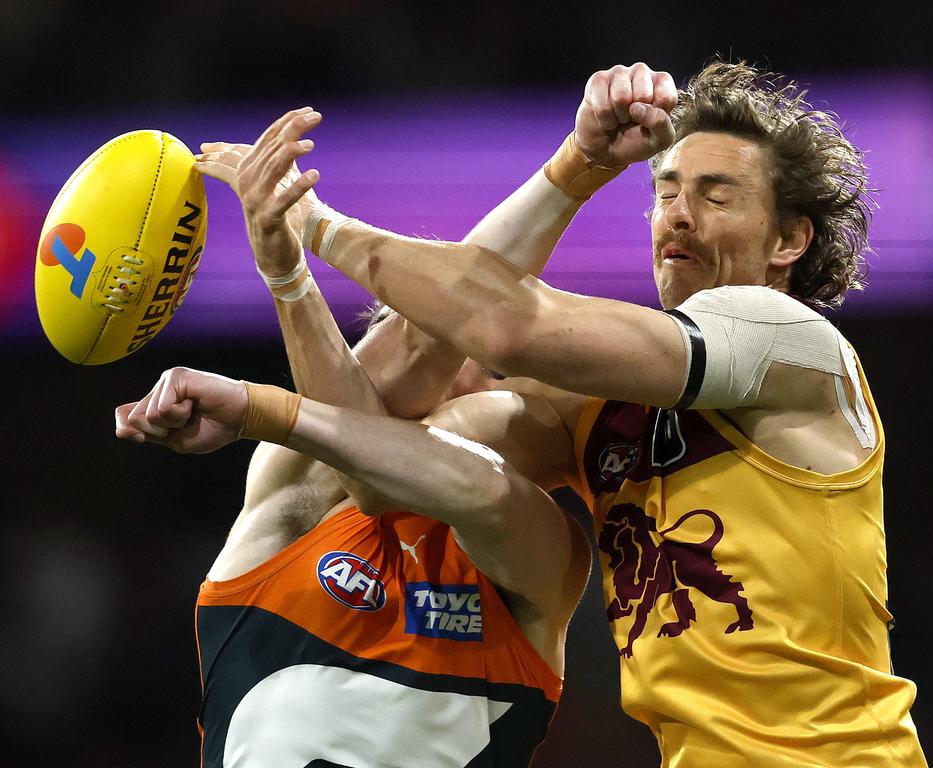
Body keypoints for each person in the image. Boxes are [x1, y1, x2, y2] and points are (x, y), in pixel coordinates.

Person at [210, 60, 929, 765]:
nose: (678, 213)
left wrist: (318, 225)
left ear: (788, 241)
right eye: (667, 190)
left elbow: (503, 327)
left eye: (716, 196)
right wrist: (286, 275)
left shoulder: (795, 347)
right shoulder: (592, 410)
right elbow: (379, 464)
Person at [116, 109, 590, 768]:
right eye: (442, 367)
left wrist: (579, 163)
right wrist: (283, 267)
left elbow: (437, 477)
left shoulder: (544, 553)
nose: (466, 385)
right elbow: (372, 446)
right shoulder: (295, 500)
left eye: (485, 367)